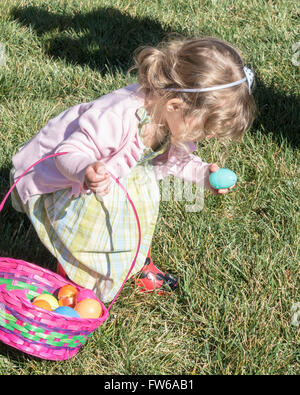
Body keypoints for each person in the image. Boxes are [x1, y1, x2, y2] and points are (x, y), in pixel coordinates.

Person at [10, 36, 256, 303]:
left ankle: (136, 264)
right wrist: (85, 170)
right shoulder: (117, 117)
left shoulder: (169, 115)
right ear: (176, 106)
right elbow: (66, 153)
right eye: (203, 129)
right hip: (60, 181)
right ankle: (75, 273)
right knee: (99, 216)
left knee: (142, 198)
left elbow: (178, 161)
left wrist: (204, 176)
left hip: (108, 178)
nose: (204, 137)